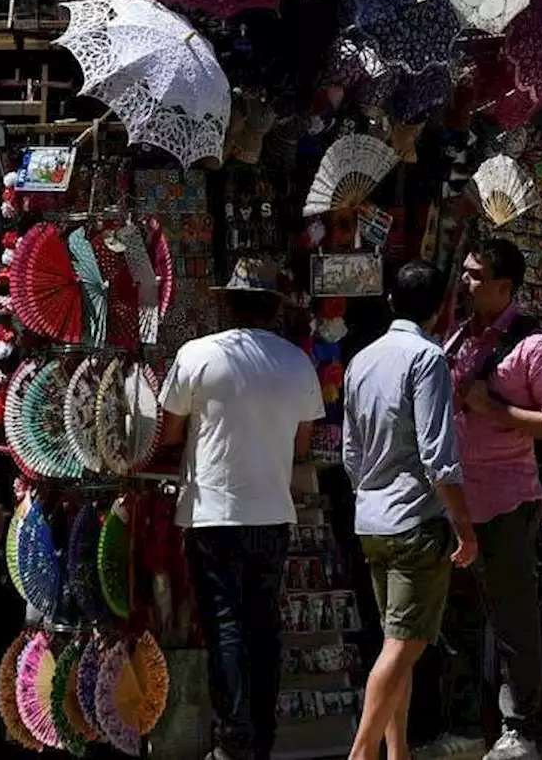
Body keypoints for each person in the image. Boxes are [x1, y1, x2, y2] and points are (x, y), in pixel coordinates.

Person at [158, 258, 326, 760]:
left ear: (228, 303)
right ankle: (261, 735)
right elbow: (301, 446)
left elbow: (166, 433)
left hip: (212, 514)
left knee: (227, 625)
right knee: (261, 625)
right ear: (274, 309)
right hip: (272, 513)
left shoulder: (198, 354)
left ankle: (234, 737)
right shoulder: (298, 363)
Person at [343, 260, 479, 760]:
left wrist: (371, 494)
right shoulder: (427, 359)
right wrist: (464, 528)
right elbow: (438, 455)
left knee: (394, 646)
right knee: (405, 646)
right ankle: (362, 753)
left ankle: (396, 754)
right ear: (441, 307)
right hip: (414, 523)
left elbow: (352, 453)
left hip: (373, 519)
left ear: (391, 301)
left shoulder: (363, 360)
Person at [444, 239, 542, 760]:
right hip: (455, 505)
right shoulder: (457, 339)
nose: (465, 283)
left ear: (504, 286)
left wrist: (494, 411)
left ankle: (523, 727)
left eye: (476, 276)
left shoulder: (536, 345)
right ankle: (468, 722)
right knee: (459, 621)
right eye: (464, 273)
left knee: (515, 619)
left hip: (506, 502)